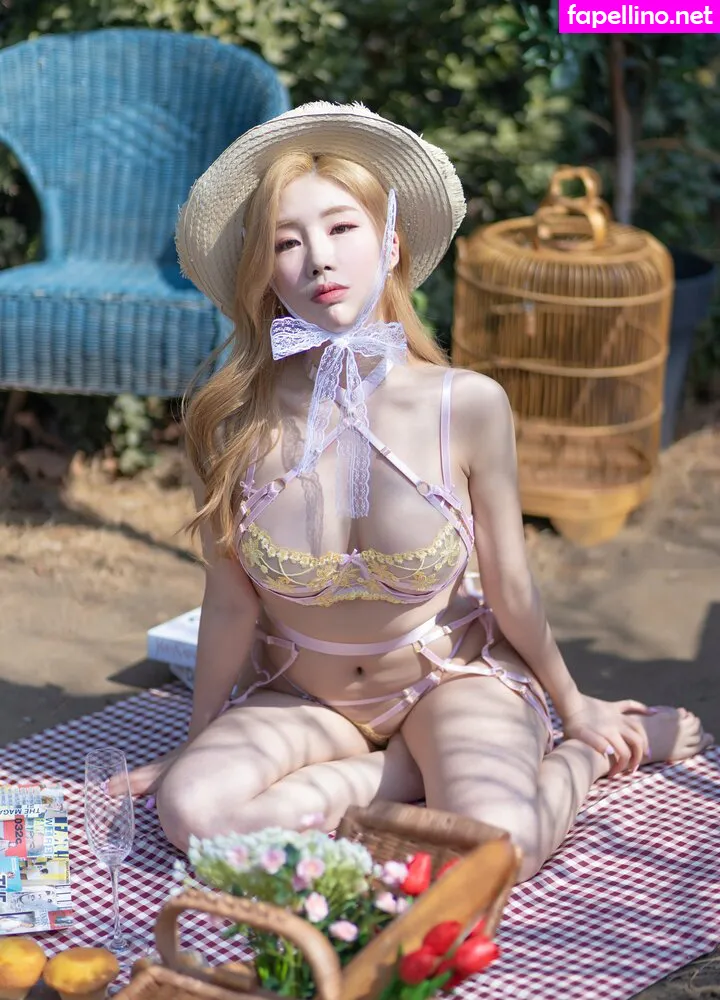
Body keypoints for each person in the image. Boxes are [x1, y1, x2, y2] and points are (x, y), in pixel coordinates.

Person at [130, 103, 711, 882]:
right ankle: (400, 776)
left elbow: (510, 585)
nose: (318, 260)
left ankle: (577, 763)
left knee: (498, 845)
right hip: (304, 697)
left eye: (342, 228)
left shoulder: (465, 405)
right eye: (286, 242)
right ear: (263, 272)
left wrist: (578, 713)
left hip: (451, 680)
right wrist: (196, 741)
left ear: (391, 243)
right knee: (193, 814)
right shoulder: (229, 423)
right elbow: (231, 604)